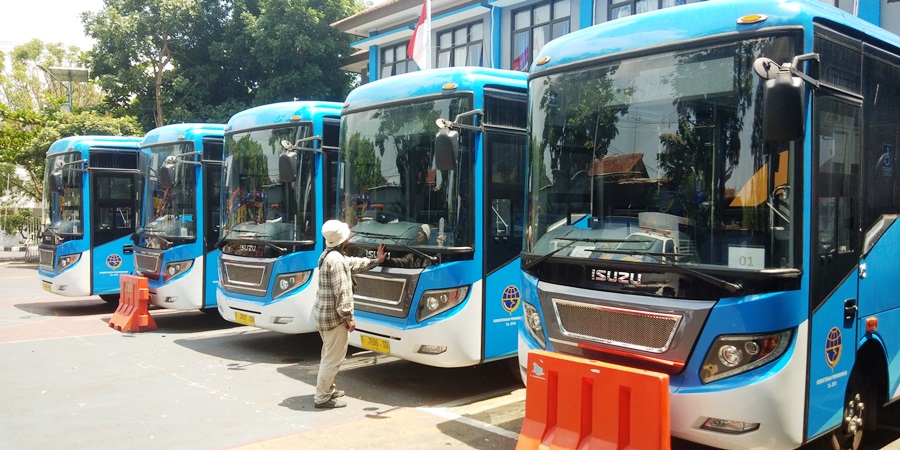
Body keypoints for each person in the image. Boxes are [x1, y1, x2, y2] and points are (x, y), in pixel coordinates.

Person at [314, 220, 385, 409]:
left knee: (328, 354)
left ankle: (328, 389)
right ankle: (322, 397)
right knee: (332, 358)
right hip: (334, 319)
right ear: (343, 240)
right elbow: (343, 293)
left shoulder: (329, 256)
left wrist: (376, 261)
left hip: (323, 316)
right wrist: (349, 318)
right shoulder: (337, 261)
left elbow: (353, 263)